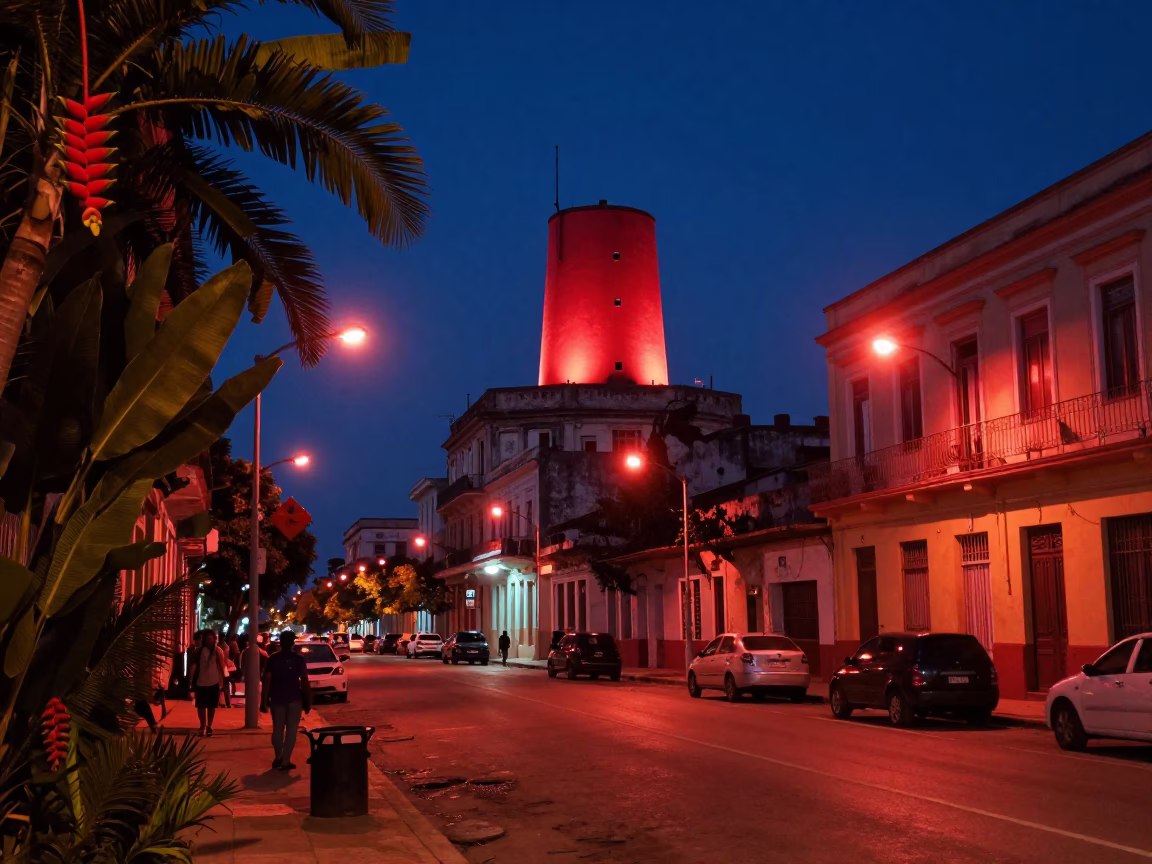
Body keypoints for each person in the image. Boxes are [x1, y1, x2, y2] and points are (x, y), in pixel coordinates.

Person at [260, 630, 311, 771]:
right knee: (291, 730)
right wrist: (308, 699)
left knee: (277, 728)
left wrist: (263, 701)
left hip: (277, 698)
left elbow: (267, 680)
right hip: (294, 698)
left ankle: (278, 756)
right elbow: (305, 681)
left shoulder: (273, 659)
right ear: (293, 642)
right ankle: (286, 760)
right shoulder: (299, 659)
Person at [188, 628, 228, 737]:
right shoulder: (199, 651)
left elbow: (221, 666)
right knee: (200, 706)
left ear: (214, 639)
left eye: (211, 638)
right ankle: (202, 726)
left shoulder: (218, 650)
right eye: (207, 639)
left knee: (211, 706)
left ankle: (209, 726)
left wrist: (221, 682)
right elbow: (194, 665)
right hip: (201, 682)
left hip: (214, 682)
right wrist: (191, 680)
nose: (209, 641)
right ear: (204, 639)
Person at [225, 634, 241, 702]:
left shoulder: (229, 644)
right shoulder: (234, 644)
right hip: (231, 662)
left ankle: (233, 692)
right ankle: (233, 691)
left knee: (230, 679)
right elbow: (236, 653)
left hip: (229, 662)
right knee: (231, 679)